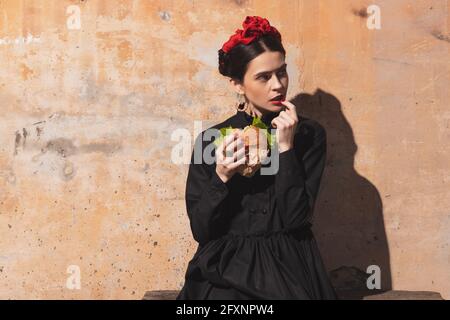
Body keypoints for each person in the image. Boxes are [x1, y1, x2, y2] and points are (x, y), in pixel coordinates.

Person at [177, 16, 337, 300]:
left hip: (289, 264)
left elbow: (296, 219)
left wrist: (286, 149)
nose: (278, 85)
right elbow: (202, 231)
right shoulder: (212, 140)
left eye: (282, 72)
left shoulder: (309, 135)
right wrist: (222, 176)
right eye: (263, 77)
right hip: (224, 269)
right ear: (238, 84)